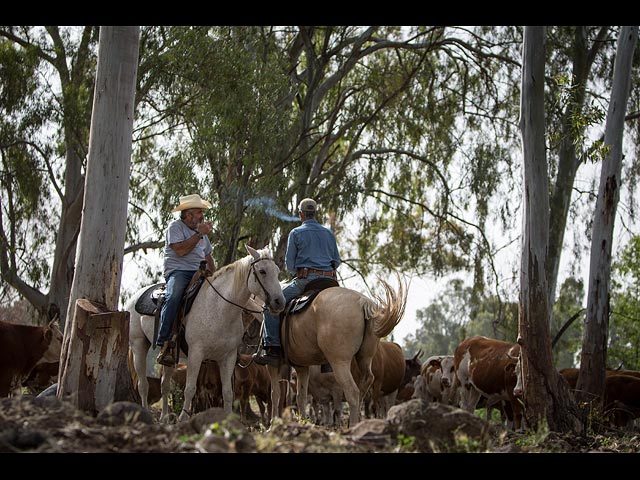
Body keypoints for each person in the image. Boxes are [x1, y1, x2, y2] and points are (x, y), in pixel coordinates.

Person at [253, 198, 341, 366]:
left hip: (306, 281)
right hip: (330, 281)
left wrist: (299, 271)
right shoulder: (329, 233)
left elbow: (291, 266)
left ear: (300, 215)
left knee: (271, 306)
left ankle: (273, 349)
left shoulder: (296, 233)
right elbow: (336, 261)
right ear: (315, 213)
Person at [156, 194, 216, 366]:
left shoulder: (202, 234)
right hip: (179, 271)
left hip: (200, 271)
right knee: (174, 295)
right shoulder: (175, 228)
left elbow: (208, 256)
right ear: (188, 215)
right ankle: (165, 340)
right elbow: (180, 251)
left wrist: (216, 274)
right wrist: (199, 234)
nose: (202, 216)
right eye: (199, 212)